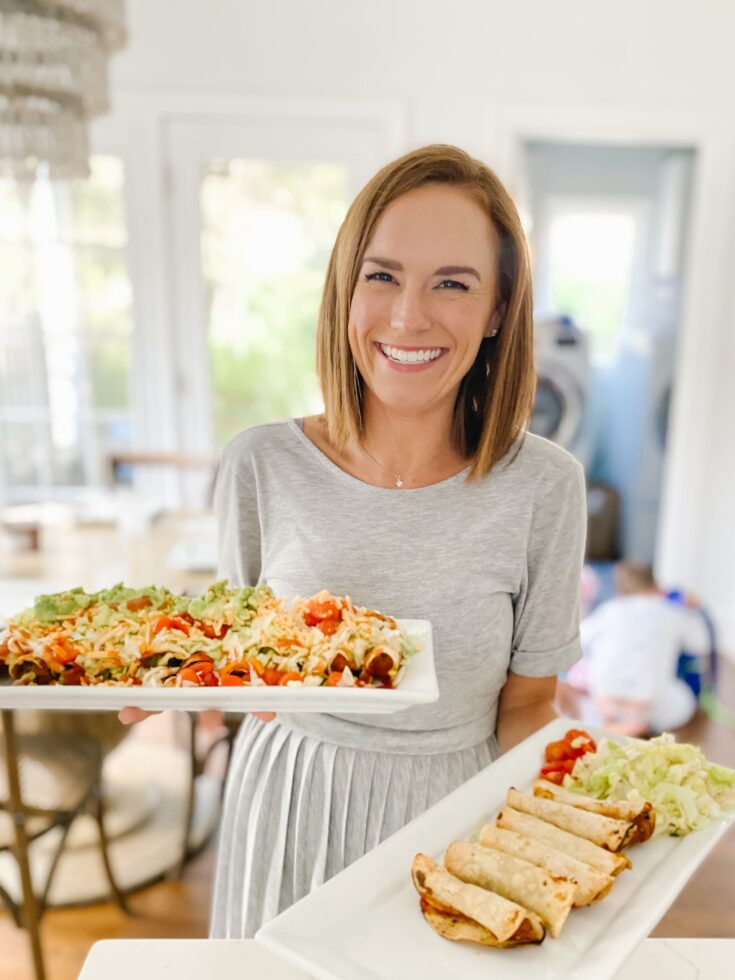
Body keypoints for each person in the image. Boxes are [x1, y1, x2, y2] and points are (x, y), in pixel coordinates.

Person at [121, 144, 586, 938]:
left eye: (452, 283)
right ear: (345, 290)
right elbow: (249, 678)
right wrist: (179, 688)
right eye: (382, 275)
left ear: (499, 309)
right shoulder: (261, 464)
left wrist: (572, 828)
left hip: (454, 821)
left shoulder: (544, 487)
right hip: (286, 804)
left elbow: (528, 707)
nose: (409, 316)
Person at [562, 561, 710, 736]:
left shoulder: (609, 610)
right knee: (685, 701)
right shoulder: (671, 611)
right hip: (650, 703)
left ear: (619, 590)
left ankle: (613, 721)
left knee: (588, 700)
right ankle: (641, 724)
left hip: (605, 699)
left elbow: (579, 641)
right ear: (656, 586)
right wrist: (693, 610)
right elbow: (700, 645)